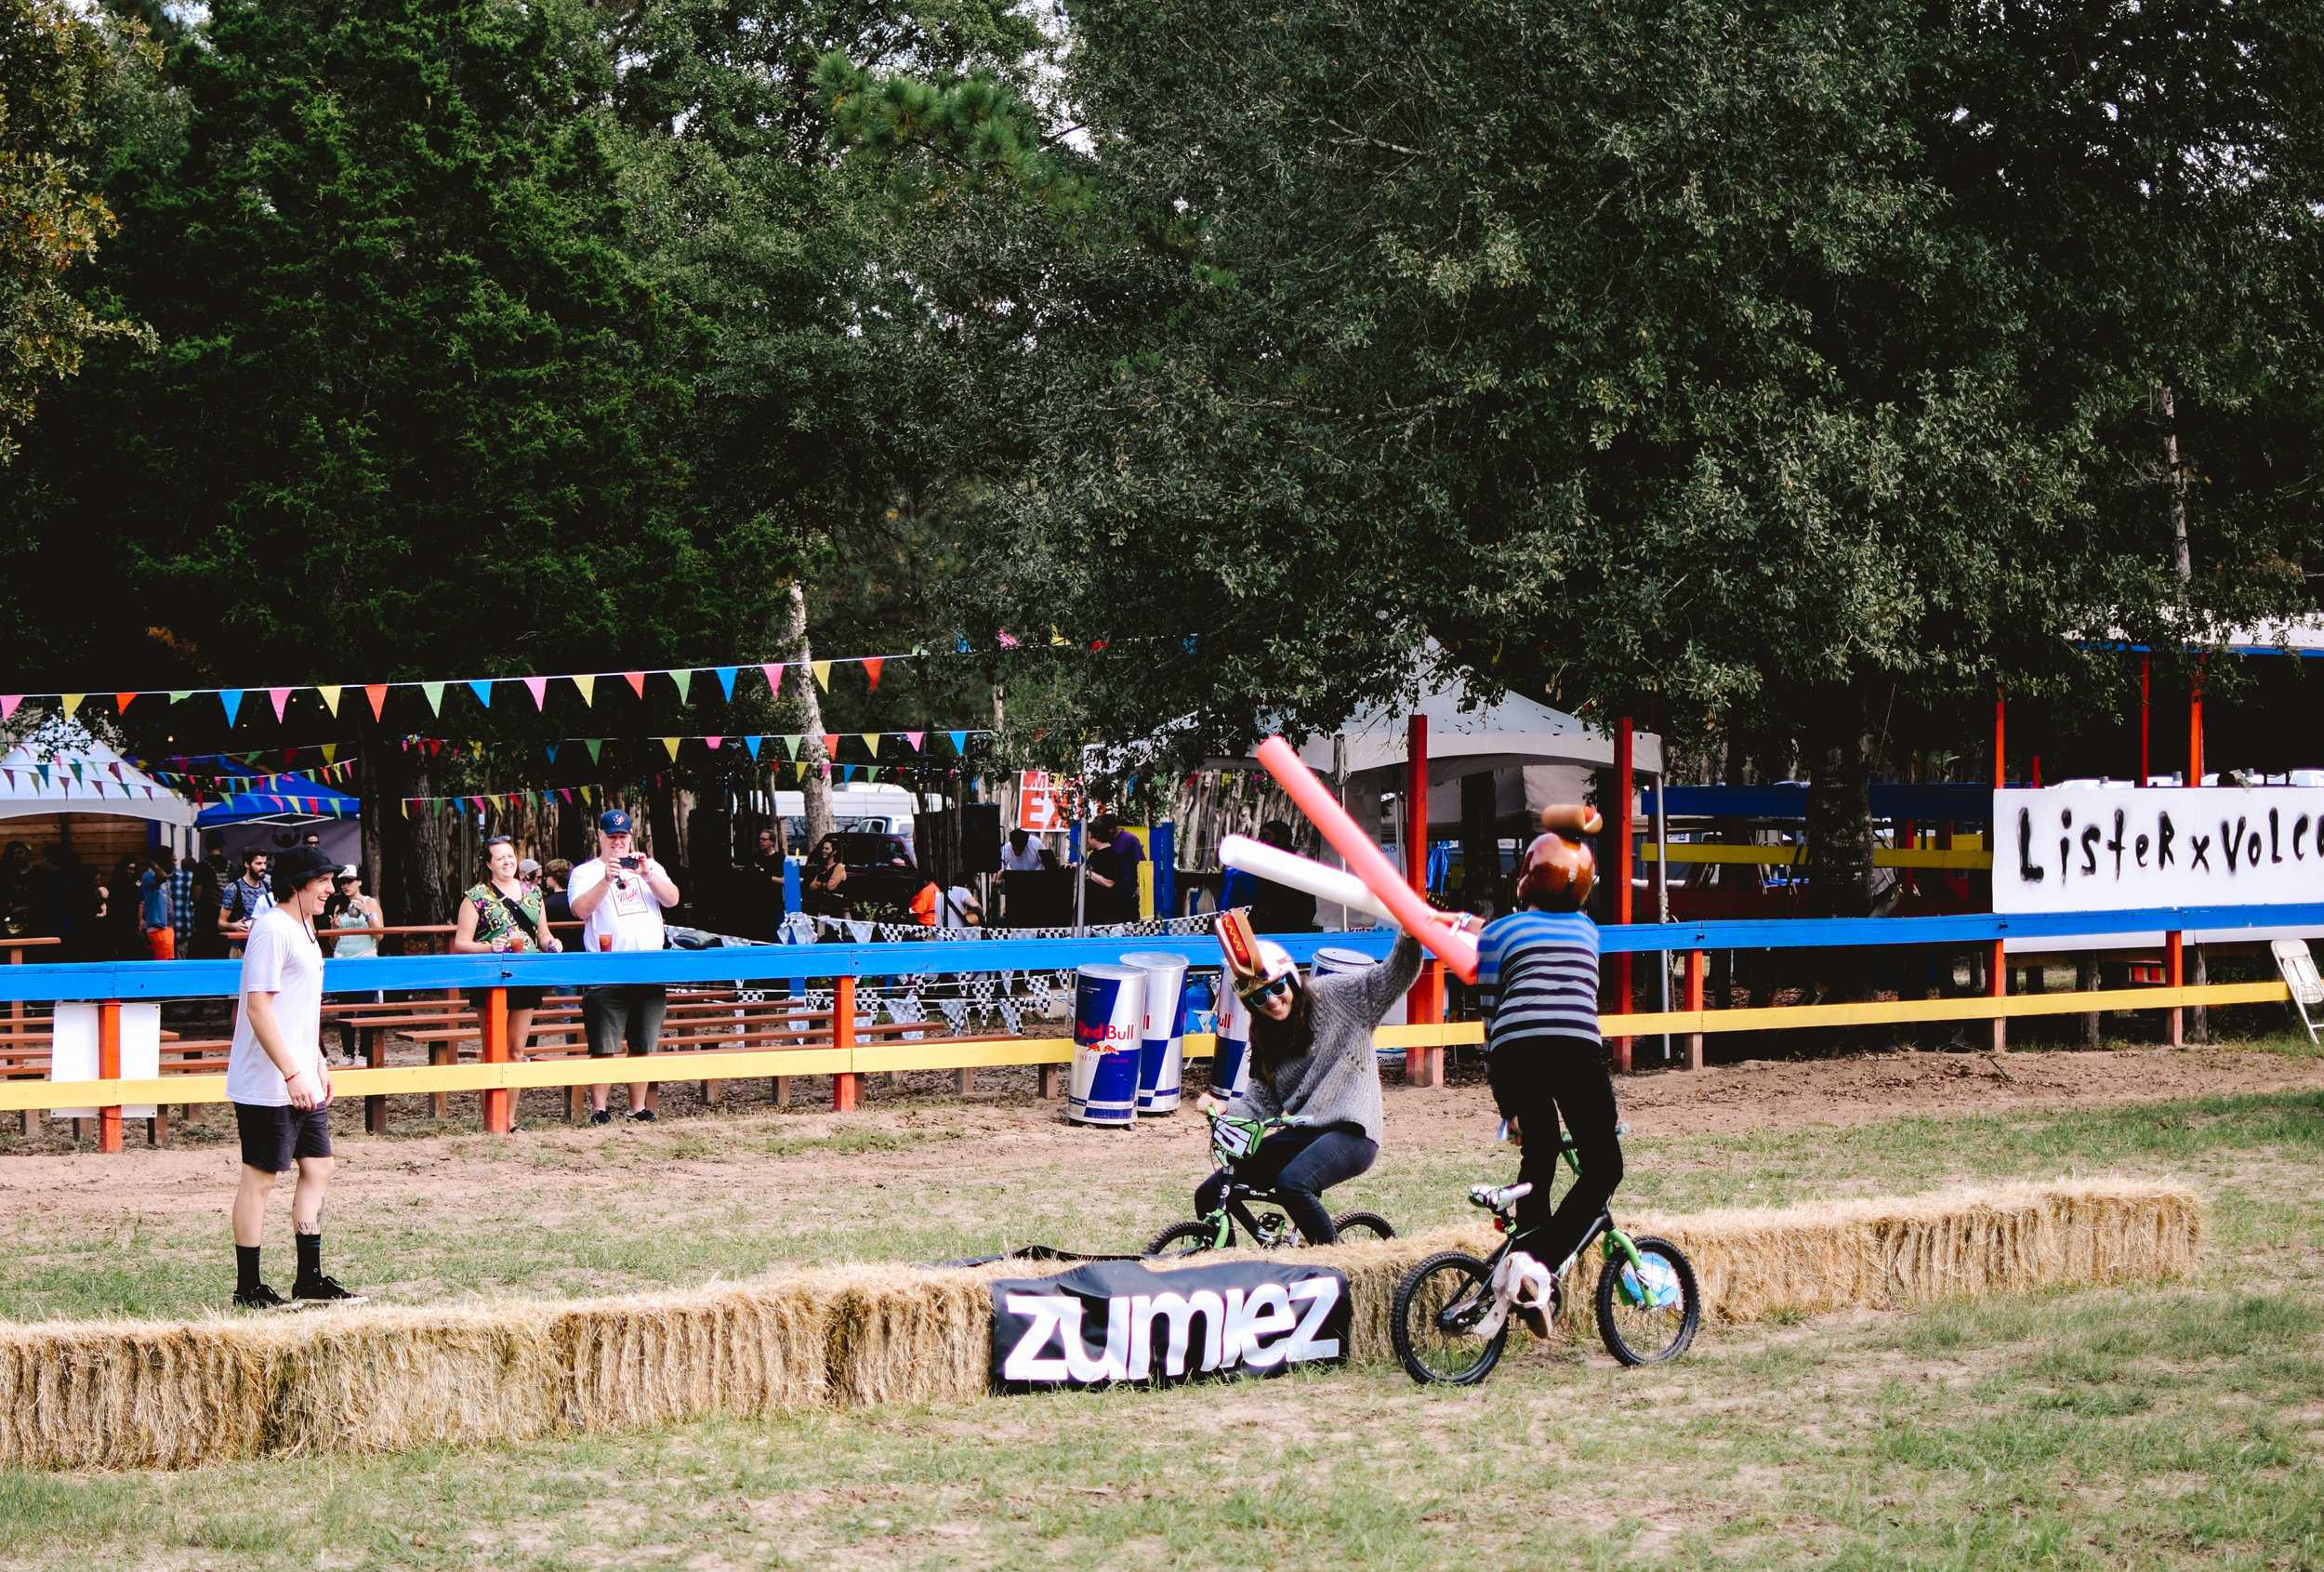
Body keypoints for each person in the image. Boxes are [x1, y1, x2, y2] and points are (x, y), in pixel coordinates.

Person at [1192, 908, 1438, 1245]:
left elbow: (1391, 978)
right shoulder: (1265, 1037)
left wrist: (1409, 937)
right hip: (1306, 1131)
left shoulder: (1336, 996)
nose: (1272, 1002)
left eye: (1277, 989)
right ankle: (1224, 1266)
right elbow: (1260, 1101)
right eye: (1258, 998)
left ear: (1290, 978)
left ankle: (1336, 1263)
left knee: (1292, 1183)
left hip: (1353, 1131)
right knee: (1211, 1192)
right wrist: (1222, 1110)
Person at [1472, 805, 1620, 1340]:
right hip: (1574, 1050)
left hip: (1513, 1052)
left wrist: (1507, 1105)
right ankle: (1538, 1263)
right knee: (1604, 1167)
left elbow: (1490, 1011)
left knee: (1540, 1153)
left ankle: (1526, 1267)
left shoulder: (1497, 934)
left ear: (1526, 879)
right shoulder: (1588, 931)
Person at [226, 844, 362, 1309]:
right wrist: (290, 1073)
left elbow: (301, 1006)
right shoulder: (271, 930)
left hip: (302, 1072)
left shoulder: (306, 928)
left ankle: (310, 1279)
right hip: (268, 1080)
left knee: (318, 1166)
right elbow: (259, 1009)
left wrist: (317, 1061)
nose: (331, 888)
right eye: (323, 880)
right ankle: (249, 1287)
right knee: (261, 1177)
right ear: (297, 884)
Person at [566, 809, 679, 1124]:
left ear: (631, 837)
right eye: (612, 836)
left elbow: (672, 900)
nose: (618, 842)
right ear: (600, 836)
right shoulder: (586, 872)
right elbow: (579, 910)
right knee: (603, 1044)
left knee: (643, 1043)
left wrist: (647, 875)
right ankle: (599, 1110)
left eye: (623, 836)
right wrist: (606, 879)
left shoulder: (650, 866)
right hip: (606, 967)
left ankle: (638, 1107)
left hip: (648, 967)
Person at [452, 836, 561, 1129]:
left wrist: (552, 943)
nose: (506, 861)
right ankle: (492, 1118)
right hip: (490, 979)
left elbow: (543, 934)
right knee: (493, 1049)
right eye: (499, 857)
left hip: (526, 977)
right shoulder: (475, 897)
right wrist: (489, 947)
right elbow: (461, 943)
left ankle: (510, 1119)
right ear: (488, 864)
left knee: (516, 1050)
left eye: (510, 856)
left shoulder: (534, 894)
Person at [323, 868, 384, 1063]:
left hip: (365, 959)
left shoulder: (370, 902)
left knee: (366, 1009)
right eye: (342, 882)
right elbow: (333, 942)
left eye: (349, 881)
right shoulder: (338, 907)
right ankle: (347, 1053)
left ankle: (365, 1053)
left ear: (359, 881)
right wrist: (334, 929)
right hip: (343, 960)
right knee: (345, 1009)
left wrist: (367, 915)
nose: (345, 885)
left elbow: (380, 935)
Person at [1219, 819, 1320, 933]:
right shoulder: (1267, 864)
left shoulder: (1294, 865)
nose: (1260, 841)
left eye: (1266, 837)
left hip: (1288, 928)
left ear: (1281, 840)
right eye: (1261, 836)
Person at [220, 850, 273, 953]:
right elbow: (220, 922)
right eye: (258, 863)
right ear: (247, 864)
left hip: (264, 945)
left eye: (265, 863)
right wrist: (233, 925)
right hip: (240, 948)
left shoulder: (268, 886)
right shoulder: (233, 888)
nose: (263, 867)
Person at [139, 852, 177, 959]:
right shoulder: (149, 876)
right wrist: (154, 864)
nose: (174, 863)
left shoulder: (164, 878)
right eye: (172, 860)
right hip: (158, 930)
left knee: (168, 964)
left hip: (166, 929)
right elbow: (162, 876)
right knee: (164, 967)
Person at [185, 863, 227, 961]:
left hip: (204, 919)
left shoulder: (201, 867)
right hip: (223, 919)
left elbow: (196, 896)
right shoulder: (232, 867)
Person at [800, 834, 848, 918]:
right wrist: (823, 884)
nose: (823, 850)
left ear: (834, 851)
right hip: (821, 905)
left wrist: (819, 884)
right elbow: (812, 886)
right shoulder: (822, 868)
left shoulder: (839, 867)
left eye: (827, 849)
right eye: (823, 848)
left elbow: (831, 887)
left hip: (834, 907)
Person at [168, 849, 198, 958]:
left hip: (183, 930)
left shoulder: (188, 877)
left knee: (182, 965)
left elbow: (195, 901)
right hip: (162, 933)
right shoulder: (153, 879)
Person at [541, 859, 574, 928]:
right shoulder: (576, 900)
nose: (545, 878)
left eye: (547, 875)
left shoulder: (546, 904)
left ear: (554, 877)